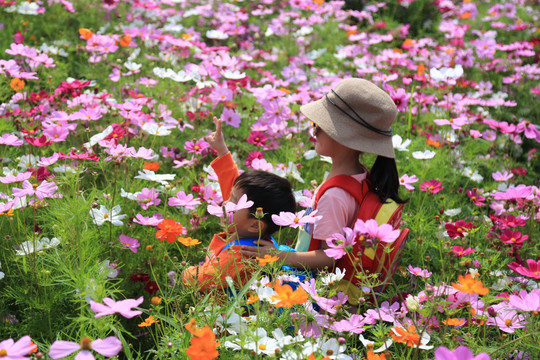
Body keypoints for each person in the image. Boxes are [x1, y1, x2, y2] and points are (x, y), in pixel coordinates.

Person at [238, 78, 407, 280]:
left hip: (315, 285)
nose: (314, 129)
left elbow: (329, 257)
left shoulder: (334, 195)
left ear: (345, 139)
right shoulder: (362, 175)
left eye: (322, 125)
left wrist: (279, 256)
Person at [182, 117, 297, 292]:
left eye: (233, 201)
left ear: (254, 224)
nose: (226, 202)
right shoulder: (249, 232)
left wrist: (186, 273)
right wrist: (222, 150)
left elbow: (202, 281)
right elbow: (233, 184)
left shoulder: (239, 255)